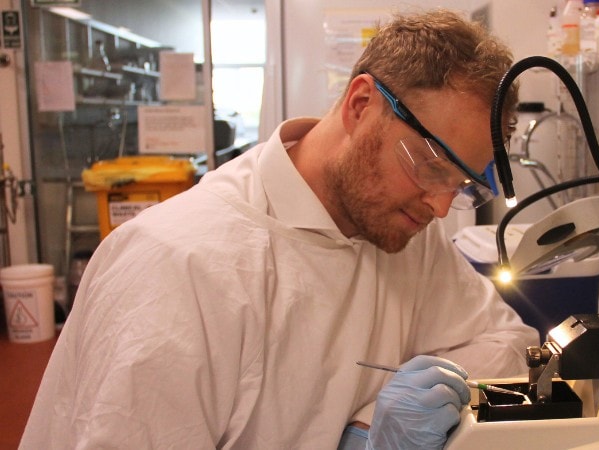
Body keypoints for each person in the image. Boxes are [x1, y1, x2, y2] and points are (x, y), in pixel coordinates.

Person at [21, 8, 539, 449]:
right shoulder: (179, 264)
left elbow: (509, 339)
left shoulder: (406, 233)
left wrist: (368, 418)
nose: (442, 205)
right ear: (362, 105)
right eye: (430, 166)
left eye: (463, 183)